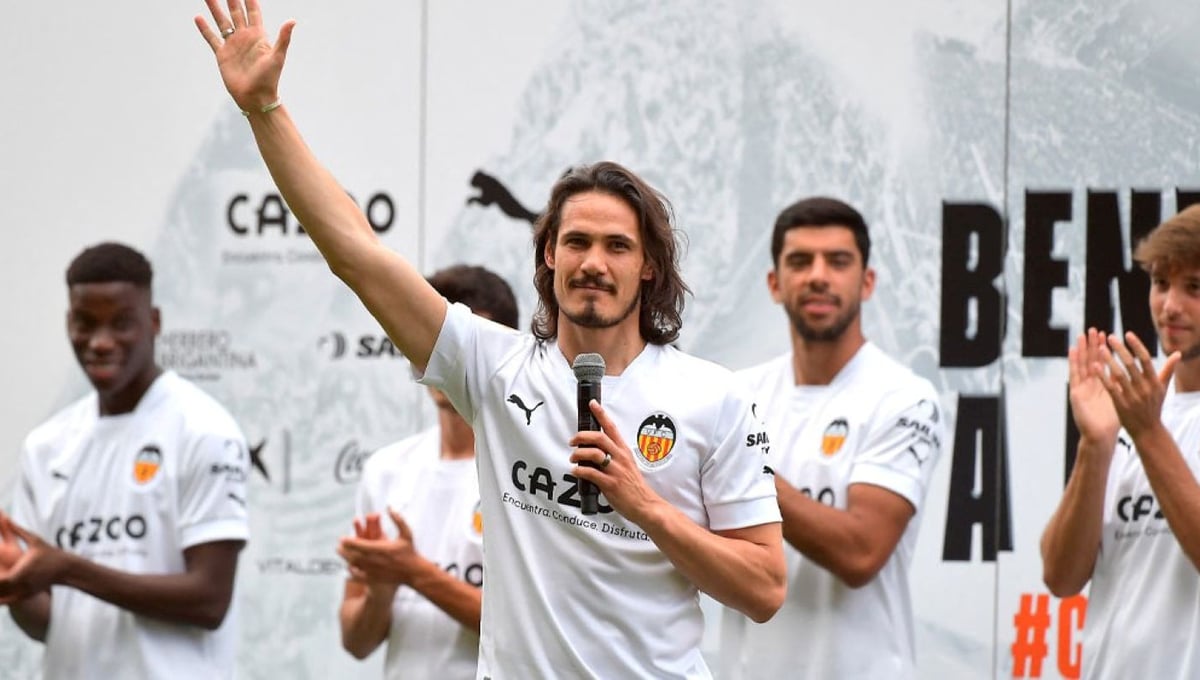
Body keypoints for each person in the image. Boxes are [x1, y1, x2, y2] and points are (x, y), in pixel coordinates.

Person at [193, 1, 786, 676]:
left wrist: (645, 505)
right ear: (549, 257)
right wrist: (265, 110)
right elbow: (356, 253)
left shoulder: (712, 396)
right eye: (577, 242)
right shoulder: (493, 368)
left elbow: (764, 589)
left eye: (617, 245)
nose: (594, 262)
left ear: (648, 265)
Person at [0, 242, 249, 679]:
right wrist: (16, 584)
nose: (100, 342)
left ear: (154, 322)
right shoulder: (47, 445)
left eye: (121, 323)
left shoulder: (202, 429)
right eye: (85, 322)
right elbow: (50, 624)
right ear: (68, 322)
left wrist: (69, 569)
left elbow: (209, 600)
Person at [719, 197, 944, 679]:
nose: (818, 276)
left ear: (867, 282)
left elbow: (861, 551)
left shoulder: (905, 398)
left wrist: (746, 470)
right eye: (800, 261)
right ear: (774, 283)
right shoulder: (736, 396)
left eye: (838, 261)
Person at [1041, 205, 1200, 679]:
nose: (1170, 306)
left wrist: (1148, 433)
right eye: (1160, 283)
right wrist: (1096, 445)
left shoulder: (1143, 419)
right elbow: (1061, 576)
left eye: (1194, 288)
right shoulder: (1135, 408)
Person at [337, 264, 519, 680]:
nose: (441, 358)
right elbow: (355, 641)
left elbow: (530, 630)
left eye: (457, 346)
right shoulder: (386, 468)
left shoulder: (528, 471)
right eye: (430, 339)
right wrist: (381, 593)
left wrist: (413, 572)